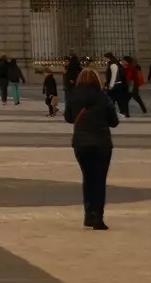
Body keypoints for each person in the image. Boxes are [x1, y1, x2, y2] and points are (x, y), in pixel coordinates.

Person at [65, 68, 118, 230]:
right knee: (99, 180)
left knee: (87, 178)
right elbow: (114, 121)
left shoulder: (73, 97)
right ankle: (98, 217)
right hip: (101, 143)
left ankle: (88, 215)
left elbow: (68, 117)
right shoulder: (103, 98)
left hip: (81, 144)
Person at [102, 53, 128, 118]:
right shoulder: (111, 64)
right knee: (115, 100)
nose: (103, 59)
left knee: (114, 100)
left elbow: (114, 76)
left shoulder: (113, 65)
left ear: (108, 57)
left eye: (104, 57)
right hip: (116, 85)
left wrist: (111, 86)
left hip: (116, 85)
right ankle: (117, 113)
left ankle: (120, 113)